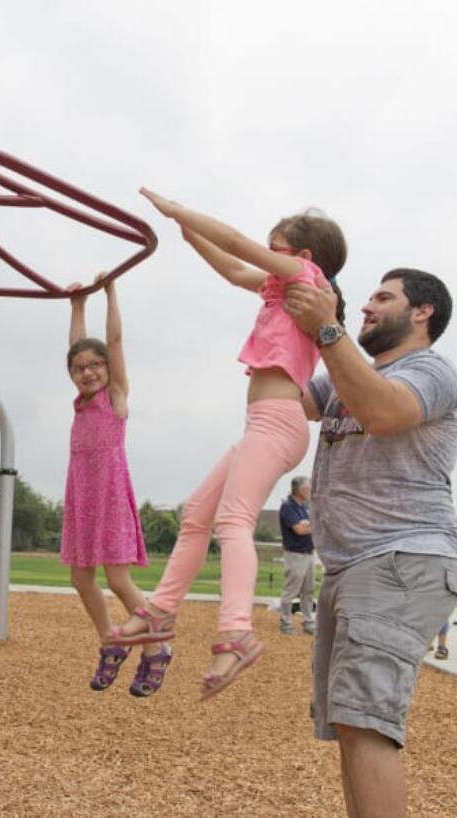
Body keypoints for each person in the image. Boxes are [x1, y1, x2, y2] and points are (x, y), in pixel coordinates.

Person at [112, 191, 346, 700]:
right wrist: (190, 235)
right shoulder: (279, 289)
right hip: (262, 421)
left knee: (233, 519)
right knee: (198, 513)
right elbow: (233, 268)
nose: (266, 253)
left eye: (276, 247)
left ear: (302, 258)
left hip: (279, 422)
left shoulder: (306, 278)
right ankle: (159, 610)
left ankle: (236, 631)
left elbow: (237, 243)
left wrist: (179, 209)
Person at [284, 268, 457, 818]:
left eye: (383, 297)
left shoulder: (430, 371)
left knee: (366, 722)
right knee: (350, 721)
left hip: (400, 557)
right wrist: (278, 307)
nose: (366, 306)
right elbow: (279, 400)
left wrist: (327, 329)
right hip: (349, 566)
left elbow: (384, 413)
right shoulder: (346, 374)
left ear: (422, 313)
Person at [61, 275, 170, 697]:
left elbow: (116, 341)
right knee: (80, 578)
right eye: (79, 368)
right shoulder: (81, 401)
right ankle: (111, 639)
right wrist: (76, 305)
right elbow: (76, 345)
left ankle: (157, 647)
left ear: (108, 369)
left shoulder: (115, 398)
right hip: (81, 494)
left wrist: (109, 293)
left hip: (107, 495)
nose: (87, 372)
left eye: (95, 365)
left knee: (118, 578)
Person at [278, 475, 316, 635]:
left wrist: (309, 524)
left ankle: (308, 623)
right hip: (295, 555)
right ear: (299, 490)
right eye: (308, 487)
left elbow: (308, 526)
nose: (310, 490)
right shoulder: (288, 506)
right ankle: (286, 623)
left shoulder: (304, 507)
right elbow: (300, 530)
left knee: (308, 591)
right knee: (291, 591)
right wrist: (312, 525)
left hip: (308, 554)